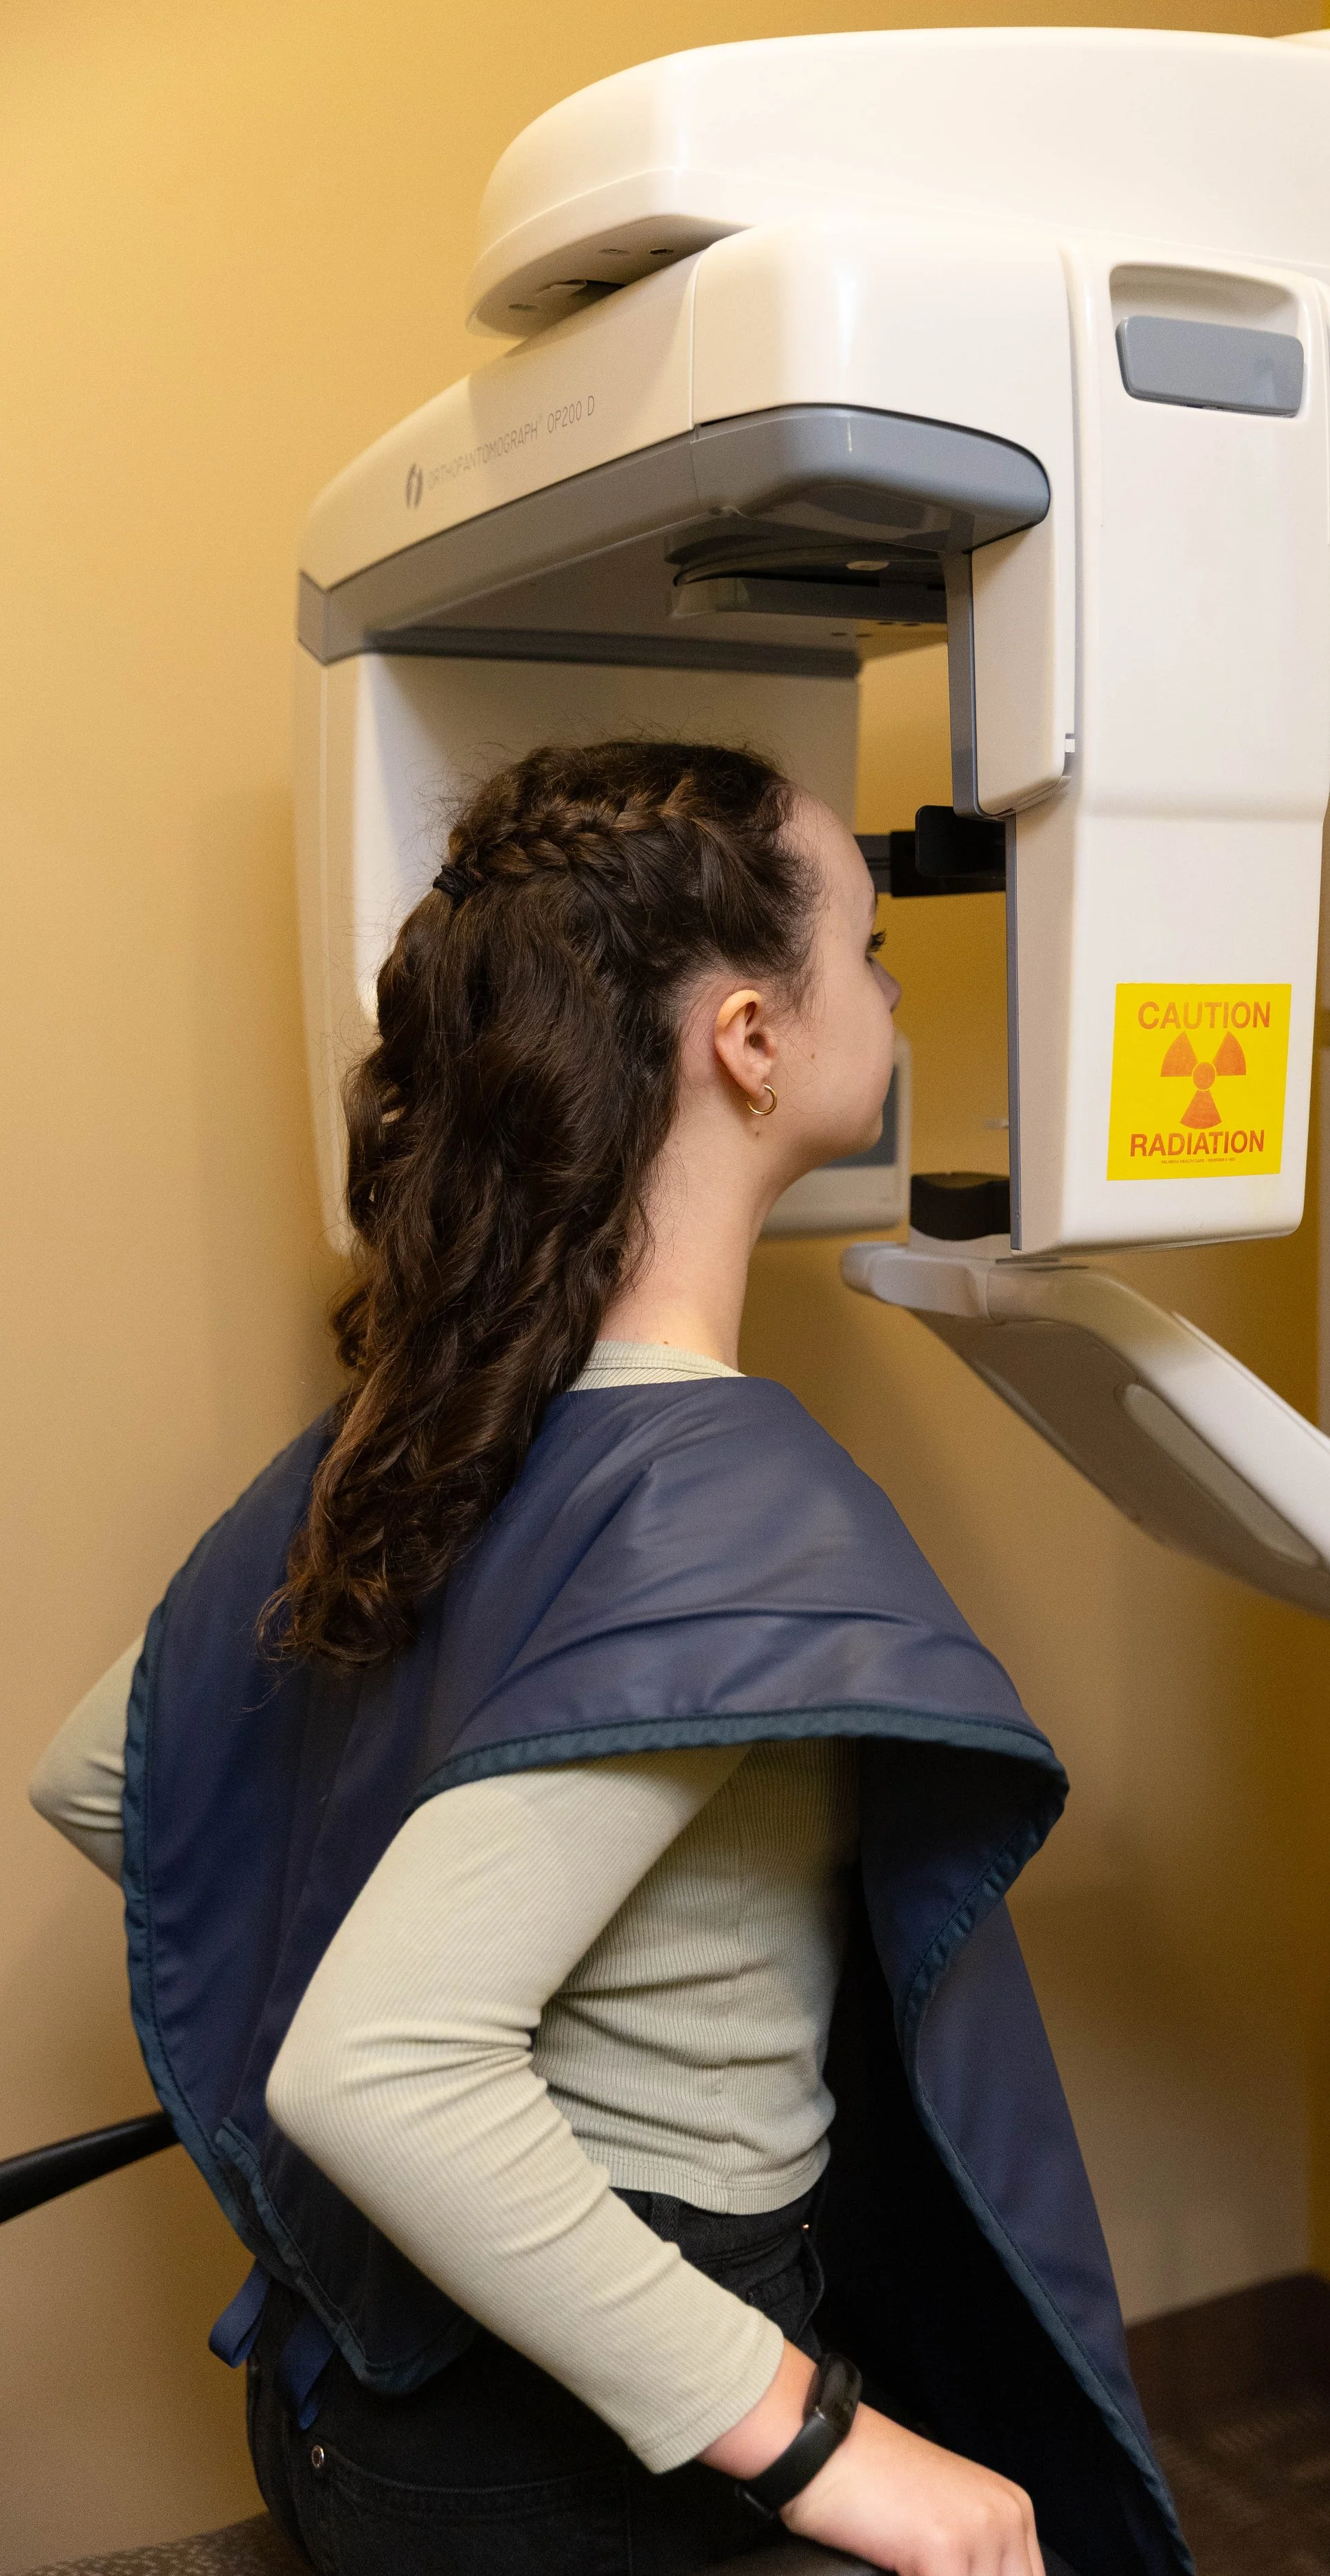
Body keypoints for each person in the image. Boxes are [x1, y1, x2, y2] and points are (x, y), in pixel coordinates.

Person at [31, 741, 1188, 2576]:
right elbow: (380, 2069)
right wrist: (823, 2448)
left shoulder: (429, 1430)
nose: (884, 990)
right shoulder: (719, 1501)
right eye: (871, 951)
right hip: (565, 2477)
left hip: (353, 2411)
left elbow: (111, 1770)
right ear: (748, 1035)